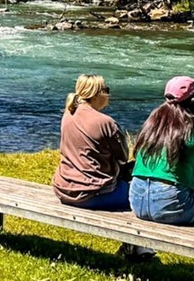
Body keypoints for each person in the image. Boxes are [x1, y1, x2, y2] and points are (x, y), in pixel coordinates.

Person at [52, 74, 155, 261]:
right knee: (144, 197)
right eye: (106, 90)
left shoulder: (68, 113)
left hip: (64, 188)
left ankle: (135, 247)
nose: (108, 95)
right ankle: (139, 248)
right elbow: (124, 157)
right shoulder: (106, 122)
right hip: (94, 193)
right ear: (95, 94)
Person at [130, 76, 194, 280]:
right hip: (170, 206)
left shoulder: (152, 122)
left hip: (136, 201)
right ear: (193, 101)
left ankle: (138, 249)